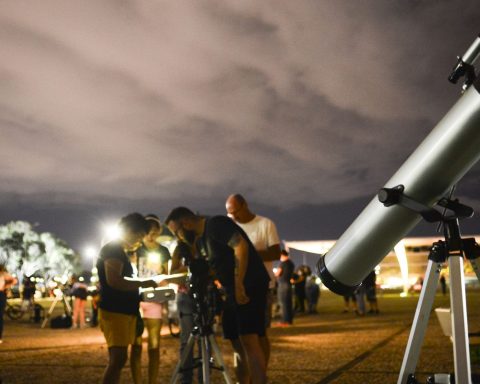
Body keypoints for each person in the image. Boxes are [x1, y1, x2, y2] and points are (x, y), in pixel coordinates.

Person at [165, 207, 270, 384]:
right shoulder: (201, 241)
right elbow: (213, 268)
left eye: (177, 232)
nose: (178, 238)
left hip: (248, 284)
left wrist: (238, 284)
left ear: (186, 223)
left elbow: (240, 246)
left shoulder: (215, 225)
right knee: (236, 339)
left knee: (249, 339)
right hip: (231, 289)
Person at [96, 213, 160, 384]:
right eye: (139, 236)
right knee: (118, 358)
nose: (140, 241)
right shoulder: (113, 250)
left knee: (118, 359)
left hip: (122, 311)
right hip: (115, 311)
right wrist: (143, 283)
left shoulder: (119, 251)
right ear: (129, 230)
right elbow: (114, 281)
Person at [225, 194, 281, 373]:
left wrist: (248, 254)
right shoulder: (232, 227)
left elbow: (275, 253)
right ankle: (248, 372)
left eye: (235, 212)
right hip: (238, 286)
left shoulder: (265, 224)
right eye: (230, 214)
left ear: (245, 205)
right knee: (242, 334)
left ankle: (261, 371)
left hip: (262, 286)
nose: (234, 216)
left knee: (260, 331)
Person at [130, 214, 171, 384]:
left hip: (155, 297)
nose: (151, 235)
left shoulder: (163, 251)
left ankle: (152, 380)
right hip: (137, 298)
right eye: (148, 232)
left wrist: (161, 273)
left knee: (154, 345)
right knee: (136, 344)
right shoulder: (135, 249)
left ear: (159, 231)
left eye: (155, 232)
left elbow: (166, 276)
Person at [274, 250, 294, 326]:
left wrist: (275, 273)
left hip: (282, 285)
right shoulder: (291, 263)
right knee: (288, 303)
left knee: (283, 303)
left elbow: (277, 273)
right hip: (288, 284)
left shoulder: (283, 263)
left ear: (282, 255)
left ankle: (285, 321)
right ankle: (289, 320)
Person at [0, 265, 17, 344]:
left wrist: (6, 286)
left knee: (0, 316)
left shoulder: (3, 274)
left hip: (1, 294)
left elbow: (14, 280)